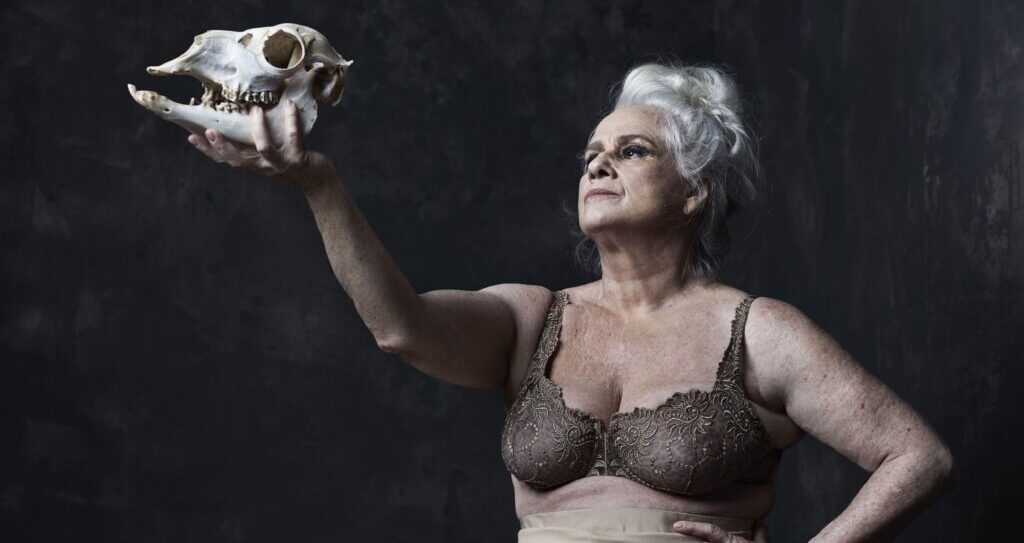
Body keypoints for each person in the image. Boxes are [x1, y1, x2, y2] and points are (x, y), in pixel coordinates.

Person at [186, 62, 958, 542]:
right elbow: (400, 327)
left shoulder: (756, 330)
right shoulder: (533, 319)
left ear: (694, 190)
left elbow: (918, 456)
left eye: (631, 151)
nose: (598, 165)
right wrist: (319, 185)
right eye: (592, 154)